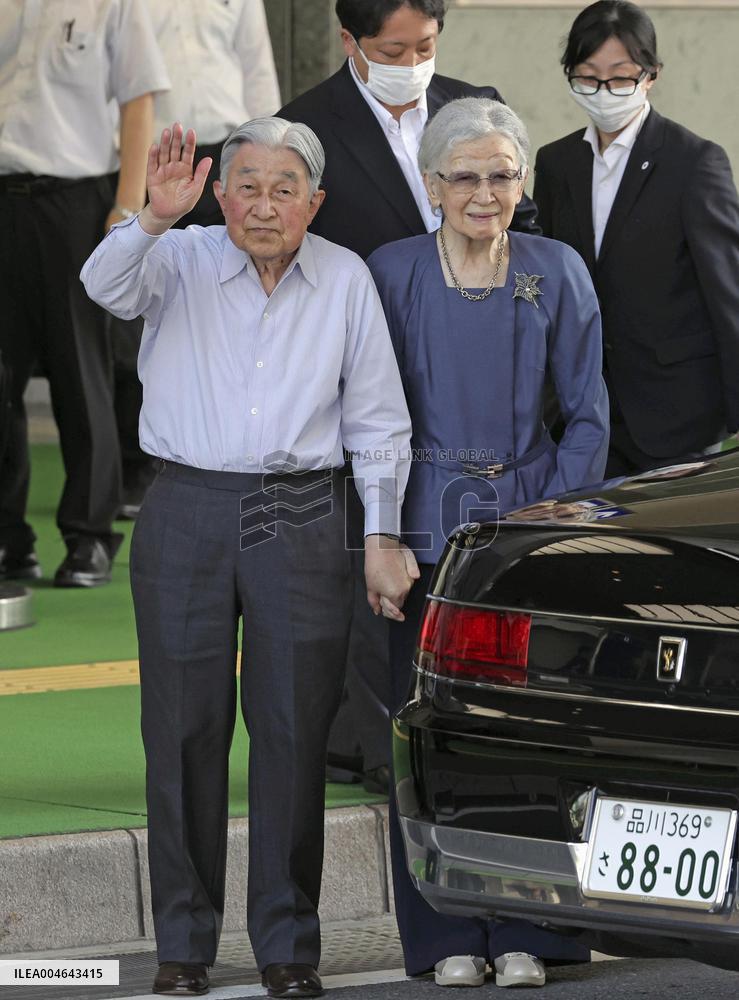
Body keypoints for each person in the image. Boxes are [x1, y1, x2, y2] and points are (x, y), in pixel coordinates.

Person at [81, 118, 416, 998]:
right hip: (187, 501)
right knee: (183, 730)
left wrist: (380, 535)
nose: (263, 205)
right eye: (246, 187)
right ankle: (183, 947)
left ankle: (287, 949)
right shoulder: (178, 256)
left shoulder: (344, 277)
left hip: (305, 509)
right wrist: (151, 216)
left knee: (293, 731)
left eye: (283, 189)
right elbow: (100, 285)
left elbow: (378, 421)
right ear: (219, 193)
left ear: (314, 201)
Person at [367, 97, 609, 988]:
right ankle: (442, 938)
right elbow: (368, 414)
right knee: (429, 740)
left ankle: (532, 933)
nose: (482, 192)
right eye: (463, 176)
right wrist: (382, 531)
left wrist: (548, 517)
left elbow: (586, 415)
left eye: (500, 175)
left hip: (530, 530)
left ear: (522, 183)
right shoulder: (389, 272)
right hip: (425, 533)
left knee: (527, 741)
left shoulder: (556, 269)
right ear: (432, 185)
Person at [280, 0, 541, 792]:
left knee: (465, 565)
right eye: (393, 48)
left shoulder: (474, 100)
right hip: (359, 376)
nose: (413, 61)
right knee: (375, 553)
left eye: (425, 44)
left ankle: (479, 734)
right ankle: (368, 743)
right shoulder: (305, 128)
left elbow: (516, 222)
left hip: (473, 368)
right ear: (349, 40)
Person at [0, 0, 169, 586]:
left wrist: (128, 205)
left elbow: (138, 101)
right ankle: (8, 540)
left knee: (81, 368)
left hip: (74, 201)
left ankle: (89, 535)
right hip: (3, 196)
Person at [534, 0, 739, 478]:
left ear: (651, 74)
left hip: (676, 415)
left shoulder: (695, 163)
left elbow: (729, 297)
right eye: (587, 77)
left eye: (620, 77)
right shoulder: (557, 162)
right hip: (582, 410)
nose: (604, 92)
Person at [113, 0, 283, 518]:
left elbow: (257, 73)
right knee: (139, 319)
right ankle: (137, 462)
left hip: (228, 160)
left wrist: (265, 170)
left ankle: (240, 445)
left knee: (239, 310)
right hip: (155, 163)